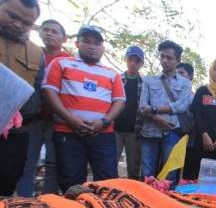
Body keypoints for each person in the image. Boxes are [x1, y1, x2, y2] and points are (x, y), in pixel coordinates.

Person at [42, 25, 126, 192]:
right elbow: (49, 92)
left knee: (108, 181)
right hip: (68, 132)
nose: (92, 46)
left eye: (96, 43)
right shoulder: (62, 63)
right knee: (71, 181)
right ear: (77, 43)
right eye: (86, 41)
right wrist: (71, 120)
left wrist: (103, 121)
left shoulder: (112, 73)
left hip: (103, 134)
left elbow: (120, 101)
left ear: (102, 48)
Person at [16, 19, 70, 197]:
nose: (49, 34)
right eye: (46, 30)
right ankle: (26, 201)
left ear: (64, 38)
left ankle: (49, 202)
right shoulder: (30, 53)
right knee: (27, 162)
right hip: (31, 117)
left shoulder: (69, 61)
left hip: (58, 119)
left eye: (55, 31)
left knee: (53, 163)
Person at [0, 0, 42, 196]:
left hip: (15, 133)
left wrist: (17, 113)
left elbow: (38, 92)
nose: (17, 24)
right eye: (12, 16)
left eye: (26, 22)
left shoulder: (36, 52)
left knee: (7, 182)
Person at [139, 40, 192, 184]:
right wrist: (157, 119)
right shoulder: (149, 80)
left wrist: (154, 110)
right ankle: (145, 202)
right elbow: (142, 106)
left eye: (169, 57)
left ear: (178, 60)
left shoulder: (185, 83)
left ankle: (167, 203)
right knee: (146, 172)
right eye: (162, 56)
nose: (164, 60)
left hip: (172, 132)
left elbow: (181, 106)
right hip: (149, 132)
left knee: (170, 173)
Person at [114, 46, 144, 180]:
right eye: (130, 59)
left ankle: (132, 194)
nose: (133, 63)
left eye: (137, 61)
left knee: (133, 167)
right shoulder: (117, 79)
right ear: (126, 60)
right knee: (110, 163)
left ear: (141, 64)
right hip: (115, 128)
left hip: (134, 130)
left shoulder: (144, 83)